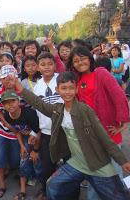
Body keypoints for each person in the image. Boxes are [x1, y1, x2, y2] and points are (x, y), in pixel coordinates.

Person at [12, 71, 130, 200]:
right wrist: (19, 86)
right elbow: (38, 103)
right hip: (77, 163)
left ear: (76, 89)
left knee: (118, 196)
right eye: (63, 88)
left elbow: (104, 137)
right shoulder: (57, 109)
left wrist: (122, 161)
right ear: (57, 90)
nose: (67, 92)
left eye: (71, 88)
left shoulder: (85, 110)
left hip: (97, 163)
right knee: (52, 184)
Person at [67, 46, 130, 200]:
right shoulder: (77, 80)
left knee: (114, 175)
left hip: (108, 131)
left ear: (89, 58)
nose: (80, 62)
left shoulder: (100, 73)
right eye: (76, 61)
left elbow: (118, 95)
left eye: (82, 58)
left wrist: (123, 121)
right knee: (96, 176)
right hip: (90, 135)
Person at [32, 52, 64, 199]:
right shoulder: (37, 86)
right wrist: (35, 132)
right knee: (47, 167)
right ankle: (46, 192)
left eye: (50, 64)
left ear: (55, 65)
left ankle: (69, 194)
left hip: (64, 130)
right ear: (37, 67)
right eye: (43, 65)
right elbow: (37, 112)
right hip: (46, 132)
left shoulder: (61, 80)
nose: (46, 67)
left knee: (69, 166)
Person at [0, 90, 41, 200]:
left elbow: (39, 130)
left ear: (18, 102)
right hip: (25, 139)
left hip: (39, 137)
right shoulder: (7, 116)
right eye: (6, 103)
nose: (10, 105)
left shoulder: (28, 113)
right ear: (3, 106)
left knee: (38, 165)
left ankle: (43, 190)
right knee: (23, 161)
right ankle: (22, 191)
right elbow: (17, 131)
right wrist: (22, 146)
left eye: (12, 101)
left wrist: (35, 150)